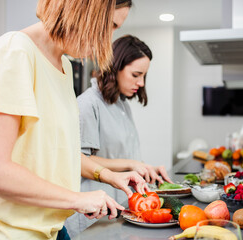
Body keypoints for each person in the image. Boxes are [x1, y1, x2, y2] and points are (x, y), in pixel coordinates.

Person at [0, 0, 146, 239]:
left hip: (53, 229)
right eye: (109, 25)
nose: (107, 41)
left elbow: (58, 153)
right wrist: (77, 199)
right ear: (84, 9)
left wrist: (109, 176)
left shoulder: (65, 67)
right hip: (9, 232)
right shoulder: (13, 51)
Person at [65, 35, 173, 237]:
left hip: (119, 209)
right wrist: (131, 164)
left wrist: (145, 167)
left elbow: (122, 154)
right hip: (93, 217)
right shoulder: (88, 104)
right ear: (115, 68)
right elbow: (78, 161)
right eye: (136, 75)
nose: (141, 83)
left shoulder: (121, 104)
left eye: (144, 76)